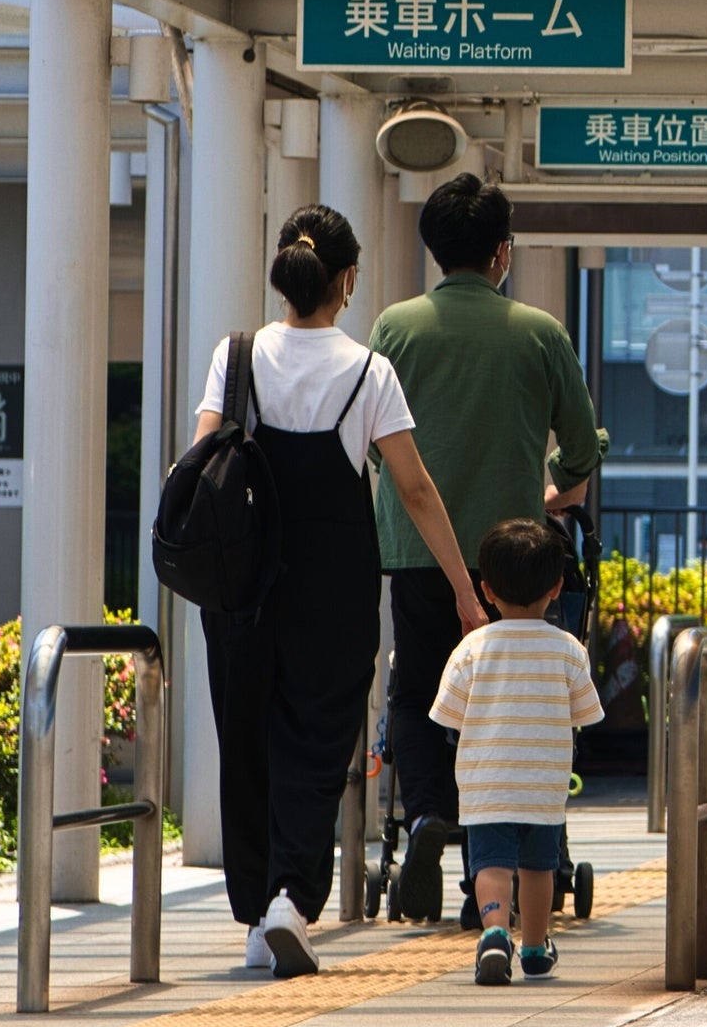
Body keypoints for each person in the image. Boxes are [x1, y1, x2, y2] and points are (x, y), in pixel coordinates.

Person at [194, 205, 476, 977]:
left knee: (246, 738)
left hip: (243, 589)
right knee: (317, 744)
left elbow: (201, 458)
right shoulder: (367, 370)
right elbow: (414, 491)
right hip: (334, 589)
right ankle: (290, 897)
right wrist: (463, 590)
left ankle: (257, 912)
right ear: (346, 280)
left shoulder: (237, 355)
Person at [369, 173, 607, 916]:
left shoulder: (395, 328)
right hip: (515, 560)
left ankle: (431, 809)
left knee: (416, 692)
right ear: (502, 252)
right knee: (509, 712)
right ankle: (491, 879)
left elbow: (378, 445)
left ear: (433, 248)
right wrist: (553, 489)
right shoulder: (539, 332)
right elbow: (580, 448)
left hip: (415, 551)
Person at [428, 517, 603, 983]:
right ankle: (533, 947)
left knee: (491, 865)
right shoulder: (568, 650)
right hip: (543, 786)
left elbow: (447, 716)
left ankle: (493, 933)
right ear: (557, 587)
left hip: (486, 784)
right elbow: (586, 713)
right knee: (539, 868)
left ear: (486, 590)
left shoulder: (471, 649)